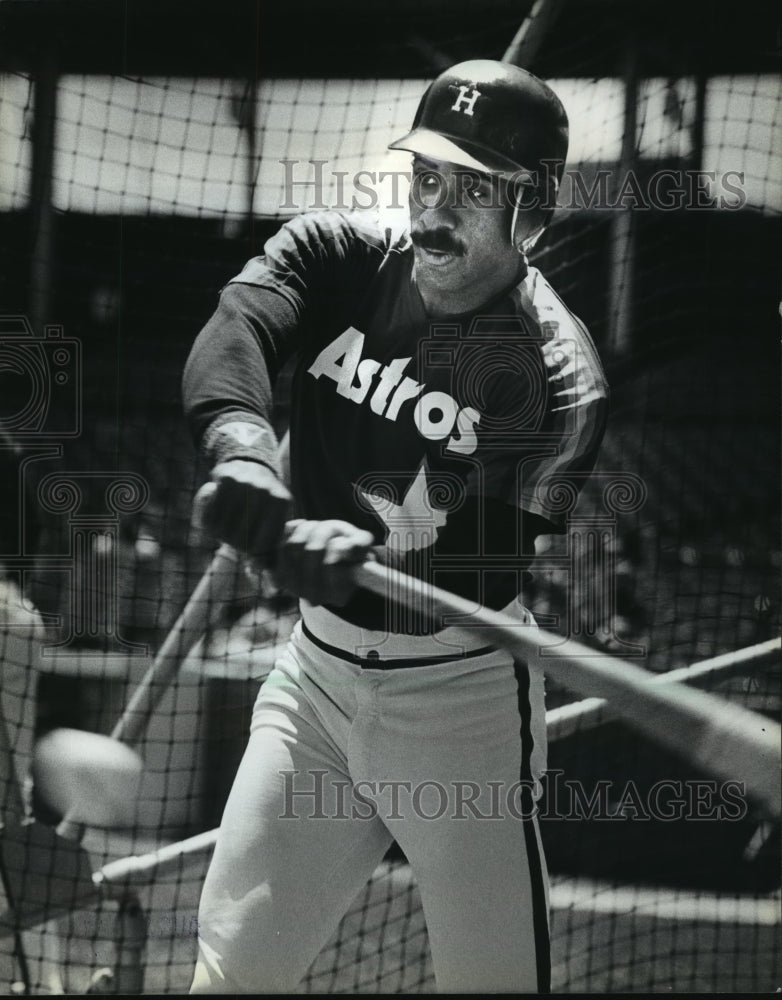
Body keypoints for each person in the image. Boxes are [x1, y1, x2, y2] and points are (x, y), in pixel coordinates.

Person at [184, 60, 608, 993]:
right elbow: (236, 329)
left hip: (460, 706)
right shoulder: (337, 257)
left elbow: (488, 564)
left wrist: (363, 556)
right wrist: (246, 451)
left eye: (474, 189)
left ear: (530, 207)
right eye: (425, 176)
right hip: (315, 690)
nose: (434, 208)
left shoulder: (560, 374)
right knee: (229, 976)